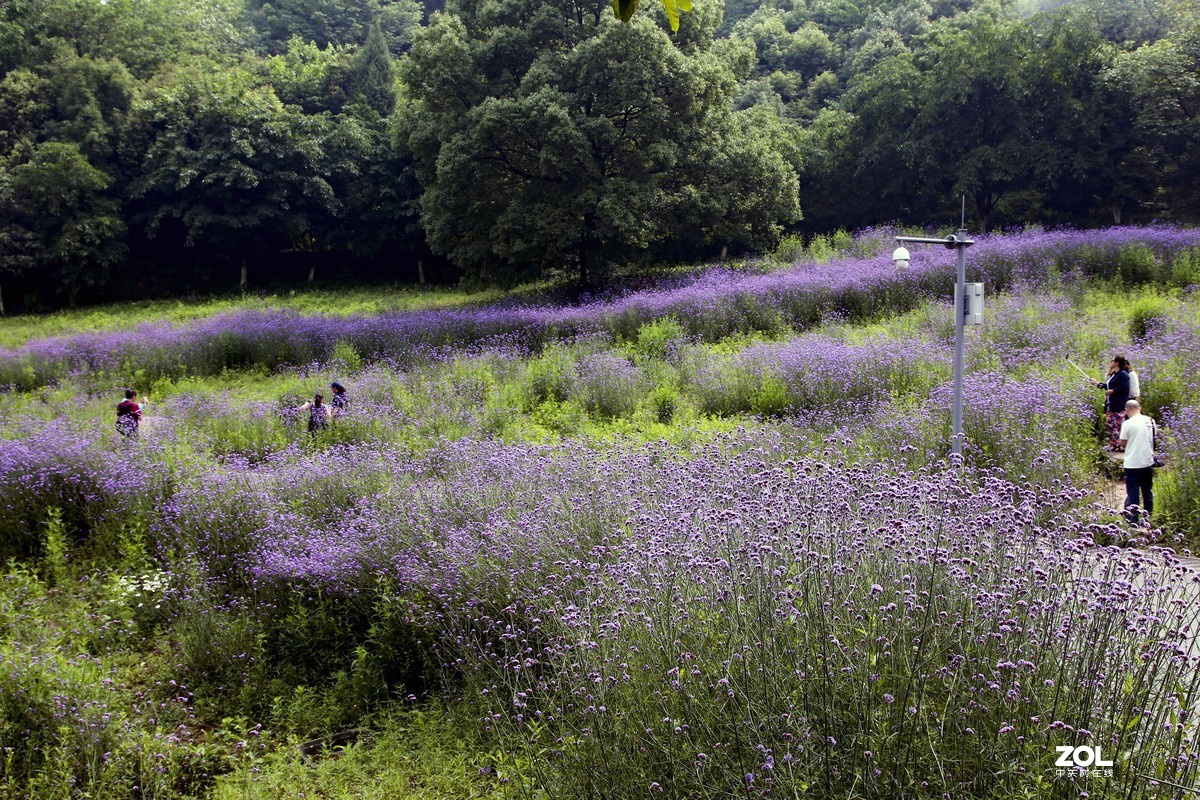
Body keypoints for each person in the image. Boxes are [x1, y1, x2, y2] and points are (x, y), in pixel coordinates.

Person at [1119, 399, 1156, 524]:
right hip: (1148, 461)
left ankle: (1133, 520)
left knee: (1133, 492)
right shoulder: (1150, 421)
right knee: (1147, 490)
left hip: (1132, 462)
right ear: (1139, 408)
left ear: (1127, 410)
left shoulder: (1127, 424)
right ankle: (1147, 517)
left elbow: (1122, 443)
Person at [1097, 355, 1131, 450]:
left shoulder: (1123, 374)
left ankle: (1120, 445)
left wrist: (1113, 391)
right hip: (1111, 404)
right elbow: (1108, 386)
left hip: (1119, 404)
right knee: (1110, 423)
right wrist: (1097, 384)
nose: (1110, 362)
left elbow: (1124, 387)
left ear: (1117, 363)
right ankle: (1113, 444)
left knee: (1118, 424)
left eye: (1112, 361)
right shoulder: (1115, 374)